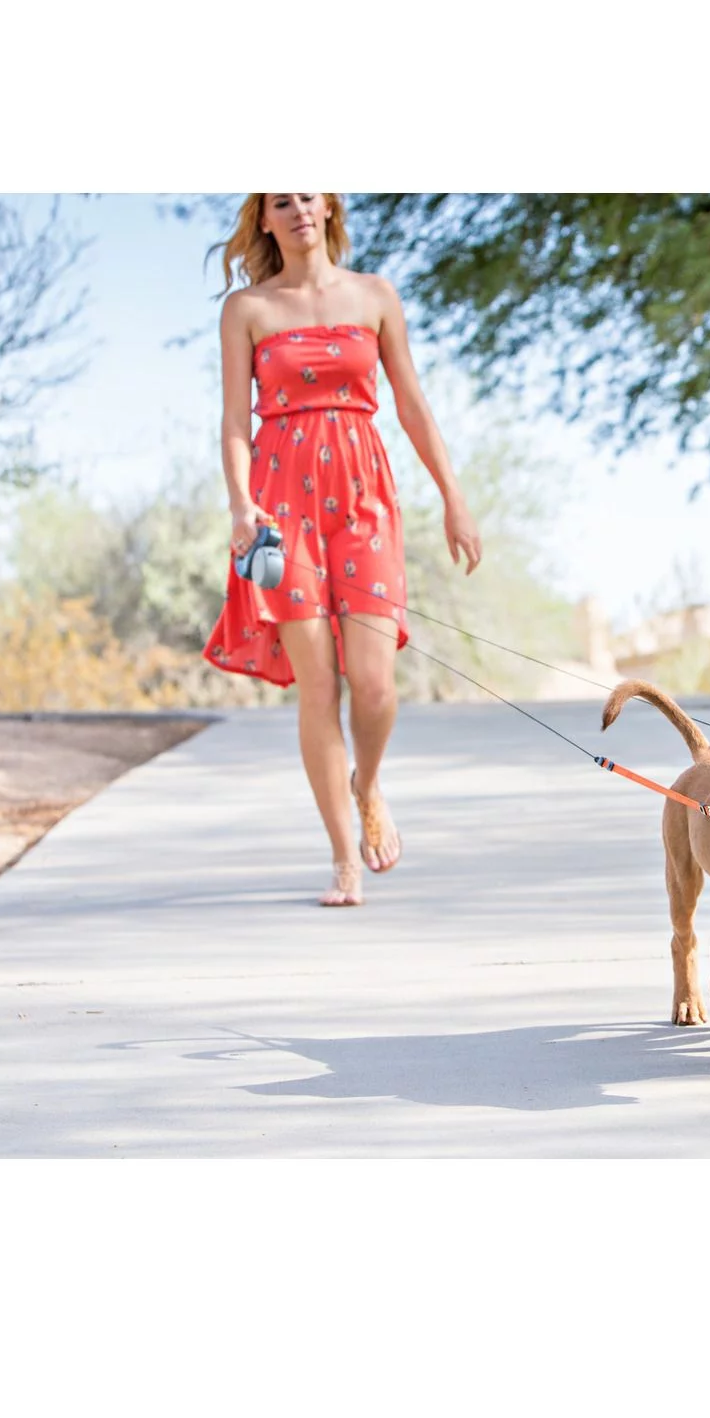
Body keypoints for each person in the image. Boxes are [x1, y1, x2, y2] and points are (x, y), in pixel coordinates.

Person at [203, 192, 482, 906]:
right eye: (280, 201)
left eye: (308, 194)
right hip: (279, 500)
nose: (297, 207)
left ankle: (369, 782)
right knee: (319, 686)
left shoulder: (374, 295)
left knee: (376, 682)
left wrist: (453, 498)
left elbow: (412, 404)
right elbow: (234, 421)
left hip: (363, 495)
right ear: (265, 219)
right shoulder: (247, 309)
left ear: (328, 206)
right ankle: (341, 857)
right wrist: (240, 504)